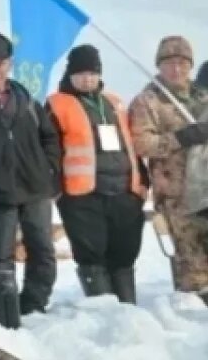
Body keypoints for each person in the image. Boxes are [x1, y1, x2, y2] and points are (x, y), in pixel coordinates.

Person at [0, 33, 61, 328]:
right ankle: (4, 312)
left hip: (35, 188)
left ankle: (34, 305)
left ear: (10, 64)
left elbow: (50, 136)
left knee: (42, 250)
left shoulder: (25, 98)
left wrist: (48, 168)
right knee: (0, 255)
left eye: (1, 63)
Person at [46, 44, 148, 303]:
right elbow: (49, 149)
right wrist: (55, 189)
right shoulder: (58, 104)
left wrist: (141, 182)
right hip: (82, 194)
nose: (87, 78)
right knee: (93, 254)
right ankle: (103, 311)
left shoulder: (114, 103)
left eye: (92, 73)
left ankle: (128, 309)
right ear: (70, 75)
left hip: (124, 192)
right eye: (81, 73)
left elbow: (131, 144)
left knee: (124, 253)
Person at [128, 36, 208, 302]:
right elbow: (142, 144)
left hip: (206, 187)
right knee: (192, 266)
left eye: (182, 63)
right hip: (178, 195)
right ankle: (192, 318)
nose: (176, 69)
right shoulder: (148, 101)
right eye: (170, 63)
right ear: (159, 66)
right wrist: (180, 138)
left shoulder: (203, 97)